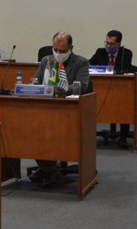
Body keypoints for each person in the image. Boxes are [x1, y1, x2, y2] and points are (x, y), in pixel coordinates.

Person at [29, 31, 91, 186]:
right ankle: (47, 168)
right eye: (55, 49)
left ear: (71, 48)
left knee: (49, 131)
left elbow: (82, 87)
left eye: (62, 51)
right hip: (44, 109)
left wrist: (58, 89)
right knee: (32, 129)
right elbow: (36, 81)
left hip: (68, 111)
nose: (58, 53)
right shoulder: (46, 60)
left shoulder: (81, 62)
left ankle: (48, 170)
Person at [88, 30, 136, 146]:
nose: (108, 46)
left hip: (120, 89)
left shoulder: (126, 53)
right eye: (107, 43)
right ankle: (89, 136)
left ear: (119, 44)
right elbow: (89, 65)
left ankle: (123, 137)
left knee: (125, 104)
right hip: (102, 88)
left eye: (112, 44)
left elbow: (125, 69)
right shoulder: (100, 52)